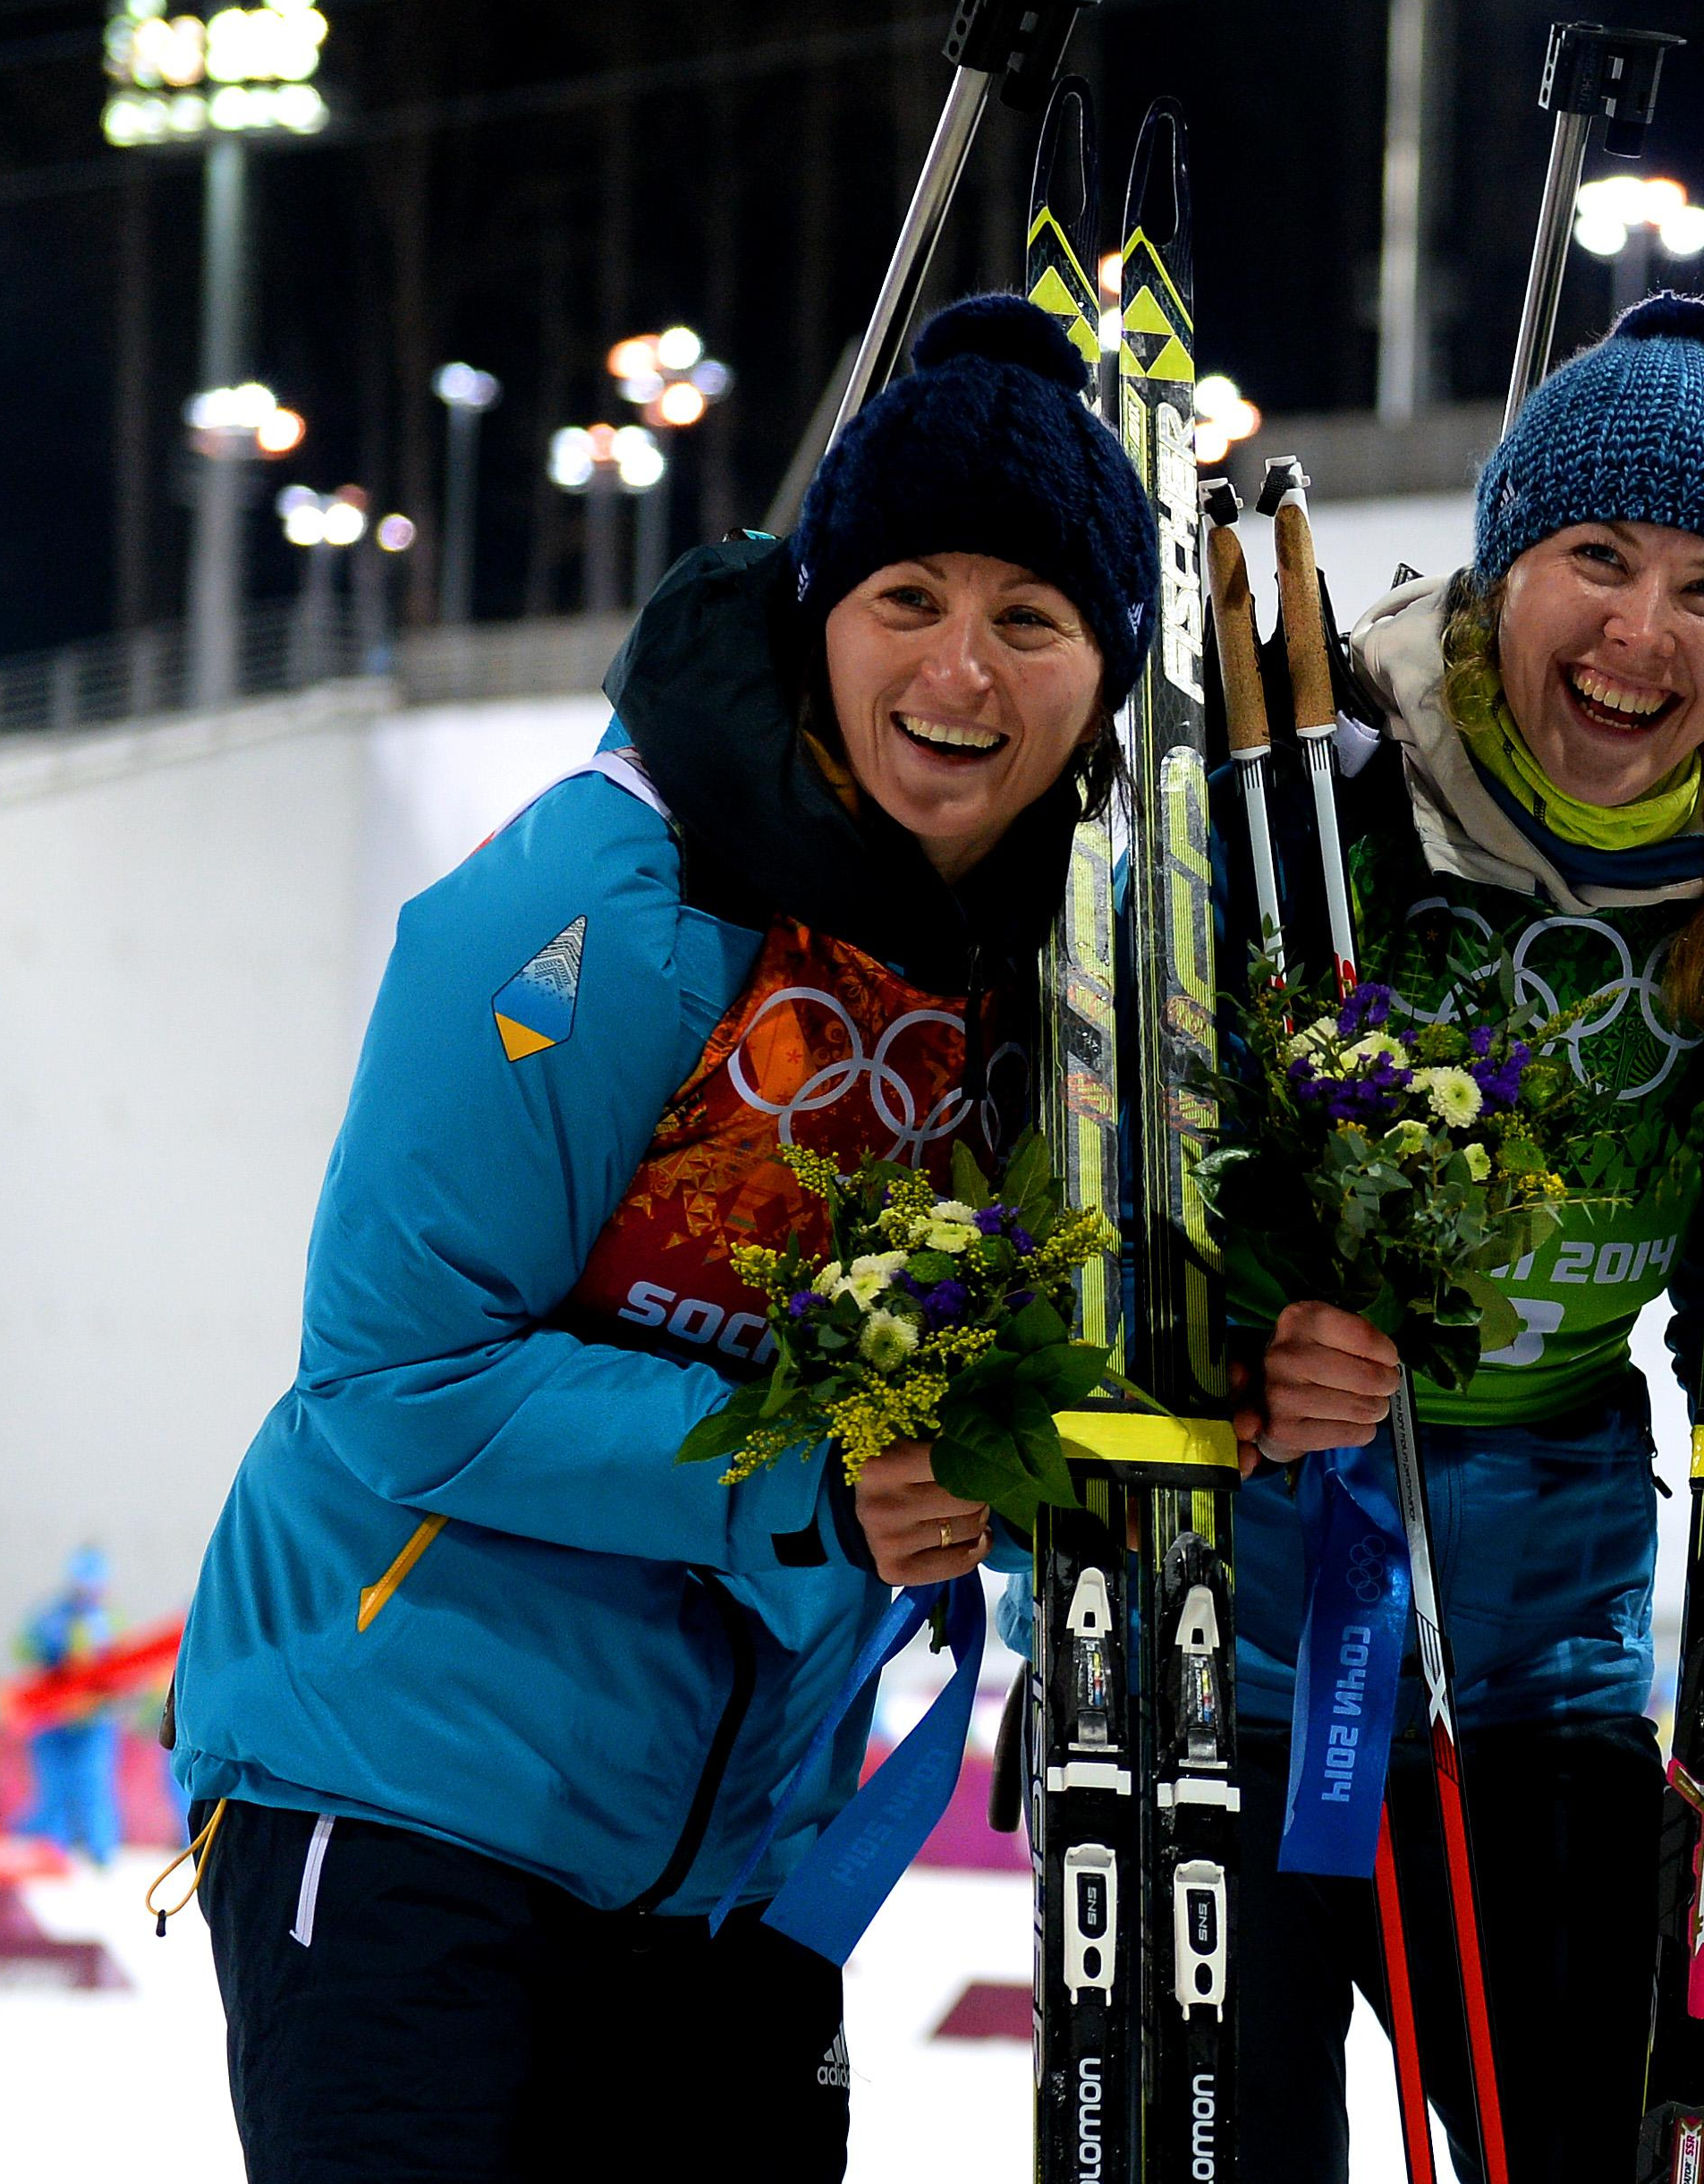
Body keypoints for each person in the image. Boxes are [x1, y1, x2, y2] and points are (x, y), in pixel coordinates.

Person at [167, 294, 1151, 2183]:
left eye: (1031, 620)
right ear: (816, 612)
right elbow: (399, 1377)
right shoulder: (603, 896)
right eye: (909, 599)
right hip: (401, 1789)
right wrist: (813, 1484)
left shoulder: (1053, 997)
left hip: (725, 1863)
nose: (964, 667)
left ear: (1096, 679)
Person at [1211, 292, 1704, 2184]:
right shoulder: (1324, 784)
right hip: (1247, 1627)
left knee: (1596, 2130)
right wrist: (1241, 1335)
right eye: (1595, 558)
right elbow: (1124, 1152)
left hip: (1543, 1635)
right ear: (1500, 561)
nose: (1639, 634)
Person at [14, 1547, 124, 1869]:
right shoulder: (48, 1618)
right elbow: (27, 1658)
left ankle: (101, 1854)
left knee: (93, 1786)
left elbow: (120, 1668)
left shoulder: (110, 1619)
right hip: (51, 1720)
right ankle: (51, 1851)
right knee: (54, 1788)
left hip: (92, 1722)